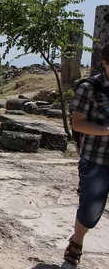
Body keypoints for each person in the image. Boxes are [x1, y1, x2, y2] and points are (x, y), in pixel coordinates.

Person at [62, 44, 109, 268]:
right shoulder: (88, 88)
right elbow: (77, 123)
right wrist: (107, 130)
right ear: (105, 63)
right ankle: (76, 243)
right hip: (96, 159)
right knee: (90, 210)